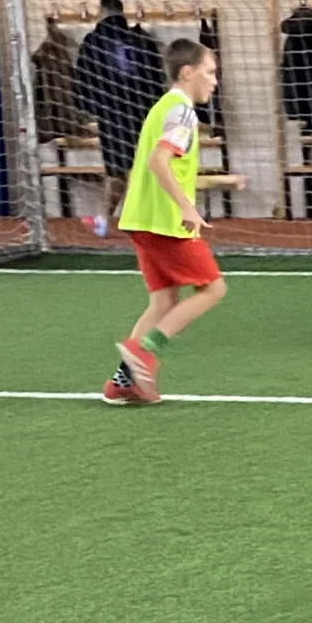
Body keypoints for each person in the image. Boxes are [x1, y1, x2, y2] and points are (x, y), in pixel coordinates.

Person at [103, 39, 244, 406]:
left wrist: (222, 181)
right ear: (187, 72)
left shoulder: (162, 108)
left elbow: (168, 170)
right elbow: (159, 162)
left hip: (141, 218)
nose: (215, 81)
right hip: (165, 221)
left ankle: (123, 381)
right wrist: (186, 209)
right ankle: (145, 351)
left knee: (163, 300)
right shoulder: (182, 111)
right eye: (210, 72)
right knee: (213, 289)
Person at [74, 0, 166, 222]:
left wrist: (87, 108)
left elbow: (83, 78)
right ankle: (144, 216)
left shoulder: (93, 41)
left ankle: (107, 218)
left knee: (116, 169)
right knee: (143, 166)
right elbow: (157, 78)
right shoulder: (141, 39)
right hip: (141, 112)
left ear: (101, 12)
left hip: (111, 115)